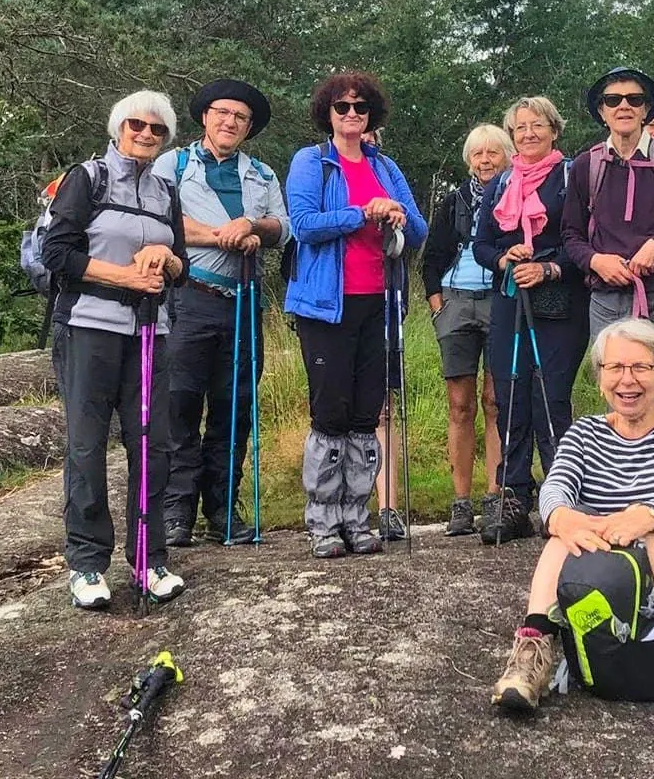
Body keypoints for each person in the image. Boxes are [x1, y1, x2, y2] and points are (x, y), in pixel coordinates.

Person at [489, 318, 654, 721]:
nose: (627, 380)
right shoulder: (583, 433)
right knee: (561, 535)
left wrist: (643, 516)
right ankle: (533, 649)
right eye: (615, 368)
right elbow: (555, 488)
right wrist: (563, 517)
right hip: (614, 578)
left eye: (640, 368)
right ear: (600, 377)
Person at [40, 90, 190, 610]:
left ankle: (149, 560)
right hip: (89, 324)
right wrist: (126, 274)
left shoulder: (166, 189)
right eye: (136, 125)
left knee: (153, 443)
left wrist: (165, 258)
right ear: (117, 128)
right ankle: (86, 564)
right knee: (87, 445)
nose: (146, 134)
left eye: (157, 130)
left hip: (152, 329)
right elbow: (56, 251)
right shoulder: (88, 178)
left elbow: (182, 270)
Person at [284, 72, 427, 558]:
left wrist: (399, 215)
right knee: (330, 412)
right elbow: (303, 225)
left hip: (380, 300)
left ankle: (357, 516)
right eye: (342, 107)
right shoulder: (311, 162)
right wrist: (363, 214)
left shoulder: (385, 166)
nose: (351, 115)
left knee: (367, 412)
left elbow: (421, 226)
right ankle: (323, 521)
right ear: (328, 112)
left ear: (371, 116)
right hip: (326, 304)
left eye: (360, 108)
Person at [154, 80, 291, 548]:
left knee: (234, 411)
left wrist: (254, 227)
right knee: (180, 406)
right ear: (205, 117)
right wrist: (223, 235)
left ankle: (221, 509)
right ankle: (176, 511)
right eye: (222, 112)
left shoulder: (263, 175)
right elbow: (160, 220)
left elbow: (283, 226)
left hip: (245, 302)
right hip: (188, 298)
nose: (230, 121)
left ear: (249, 128)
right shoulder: (172, 165)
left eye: (240, 117)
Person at [473, 96, 589, 545]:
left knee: (551, 398)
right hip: (510, 299)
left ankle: (559, 501)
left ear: (554, 130)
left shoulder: (572, 175)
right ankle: (514, 498)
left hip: (560, 300)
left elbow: (583, 239)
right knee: (510, 397)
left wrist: (548, 266)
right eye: (519, 128)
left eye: (537, 125)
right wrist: (505, 257)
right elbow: (482, 244)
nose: (528, 134)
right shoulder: (500, 182)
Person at [563, 65, 654, 410]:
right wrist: (596, 261)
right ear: (602, 111)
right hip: (607, 296)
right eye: (613, 100)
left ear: (647, 109)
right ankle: (624, 466)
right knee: (618, 399)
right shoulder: (588, 165)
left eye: (634, 98)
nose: (624, 106)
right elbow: (571, 234)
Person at [421, 123, 510, 538]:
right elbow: (432, 259)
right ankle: (461, 503)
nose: (486, 160)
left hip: (499, 300)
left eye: (494, 153)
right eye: (479, 154)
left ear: (506, 156)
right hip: (456, 304)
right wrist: (438, 307)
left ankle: (495, 496)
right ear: (469, 160)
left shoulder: (514, 198)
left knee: (496, 401)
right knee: (460, 404)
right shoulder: (453, 201)